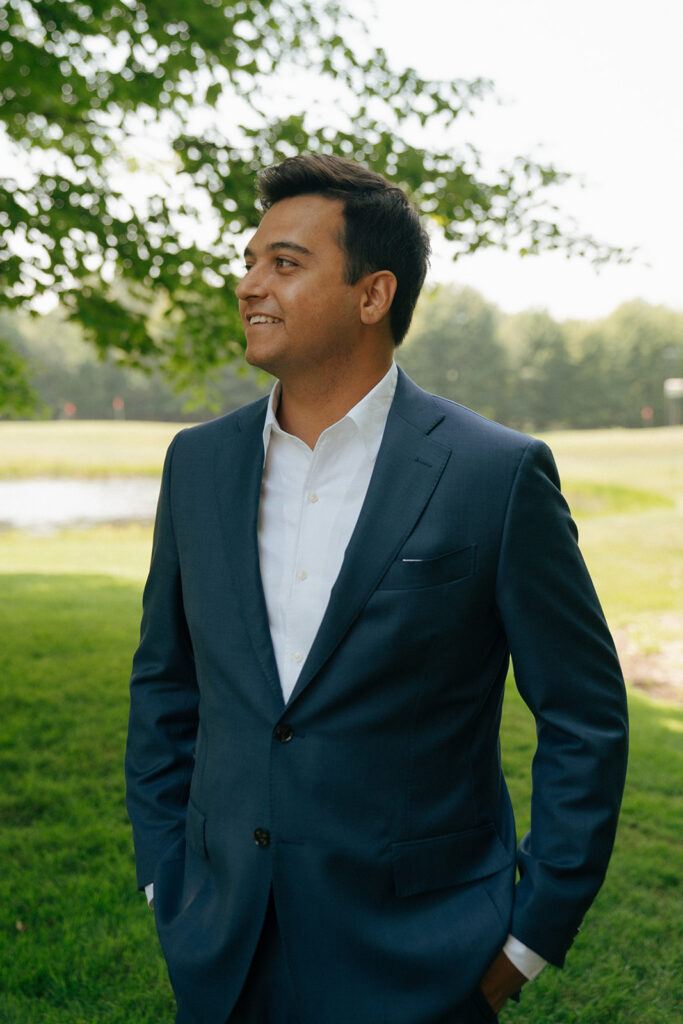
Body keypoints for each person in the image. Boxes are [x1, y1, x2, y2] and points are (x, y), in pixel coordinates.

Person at [125, 154, 628, 1024]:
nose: (248, 284)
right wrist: (165, 877)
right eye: (248, 261)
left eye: (284, 263)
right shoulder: (196, 464)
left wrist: (529, 935)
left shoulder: (495, 476)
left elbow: (584, 715)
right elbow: (167, 684)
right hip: (223, 951)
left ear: (372, 295)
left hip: (421, 960)